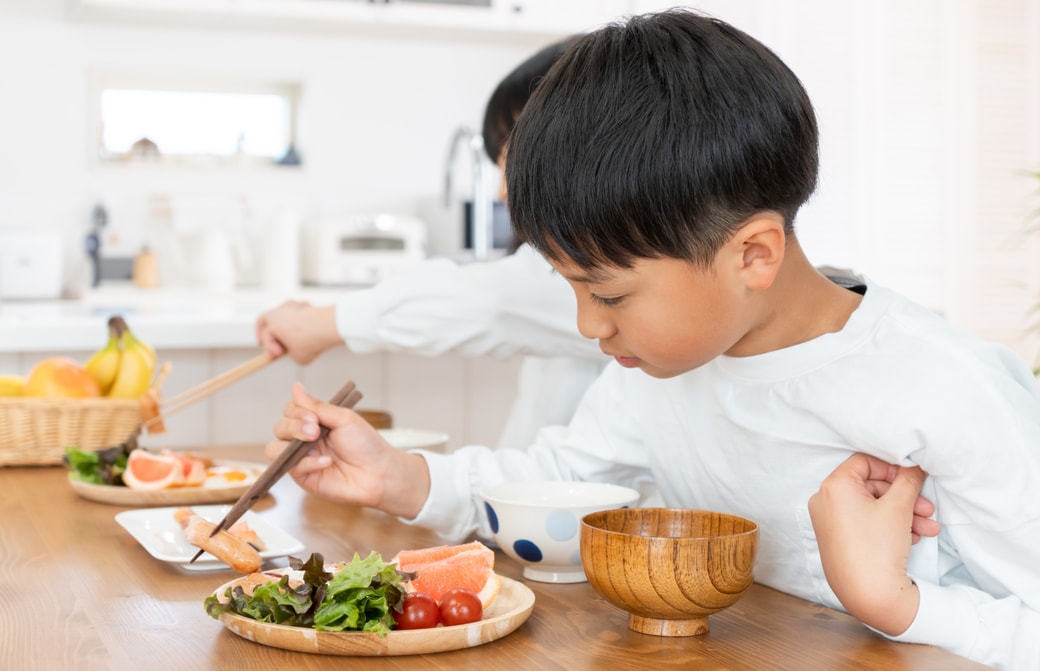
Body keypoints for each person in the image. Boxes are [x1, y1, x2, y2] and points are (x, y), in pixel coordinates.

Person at [265, 9, 1040, 670]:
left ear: (754, 255)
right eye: (569, 288)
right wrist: (399, 478)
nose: (587, 326)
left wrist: (895, 603)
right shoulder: (659, 367)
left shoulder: (947, 391)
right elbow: (561, 480)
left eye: (607, 293)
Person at [255, 38, 604, 450]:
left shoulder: (601, 270)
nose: (502, 193)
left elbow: (489, 302)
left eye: (514, 161)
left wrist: (322, 323)